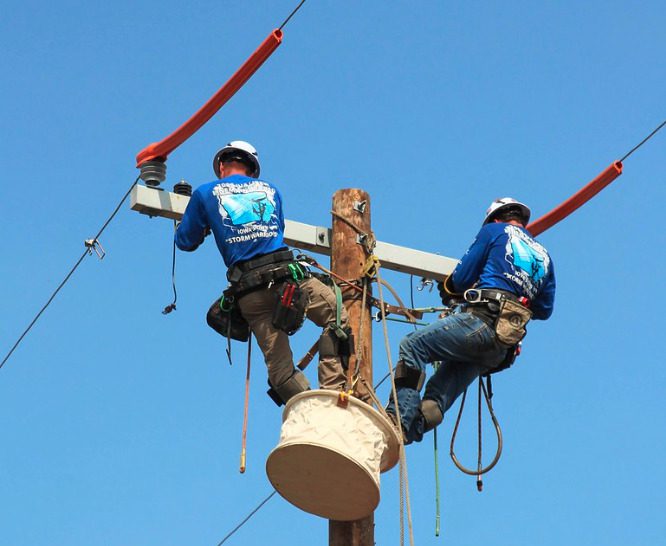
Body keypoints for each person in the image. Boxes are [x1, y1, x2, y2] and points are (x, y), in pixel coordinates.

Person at [175, 140, 352, 405]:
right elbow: (276, 228)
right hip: (287, 279)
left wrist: (201, 225)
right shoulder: (271, 189)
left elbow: (185, 242)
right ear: (252, 168)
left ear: (222, 165)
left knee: (279, 371)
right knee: (337, 319)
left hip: (250, 294)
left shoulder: (204, 193)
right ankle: (334, 394)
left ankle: (311, 414)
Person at [386, 197, 556, 444]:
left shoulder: (494, 231)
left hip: (482, 322)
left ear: (494, 218)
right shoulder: (545, 256)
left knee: (413, 346)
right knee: (439, 394)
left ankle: (397, 420)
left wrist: (451, 289)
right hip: (501, 347)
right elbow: (544, 309)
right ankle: (409, 431)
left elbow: (462, 278)